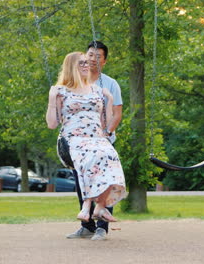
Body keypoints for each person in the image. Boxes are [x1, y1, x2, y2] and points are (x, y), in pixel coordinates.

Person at [46, 51, 127, 241]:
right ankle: (88, 212)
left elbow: (104, 121)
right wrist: (51, 98)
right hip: (73, 140)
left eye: (86, 62)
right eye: (81, 62)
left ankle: (98, 208)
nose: (86, 65)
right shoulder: (61, 90)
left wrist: (109, 100)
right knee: (92, 159)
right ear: (71, 67)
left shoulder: (98, 90)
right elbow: (51, 124)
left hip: (96, 139)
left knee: (111, 157)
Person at [68, 41, 124, 241]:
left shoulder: (110, 84)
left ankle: (102, 227)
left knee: (105, 180)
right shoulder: (73, 82)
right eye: (90, 55)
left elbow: (117, 113)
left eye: (98, 56)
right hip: (80, 142)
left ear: (104, 61)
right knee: (81, 182)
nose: (93, 59)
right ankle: (87, 225)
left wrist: (107, 132)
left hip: (102, 141)